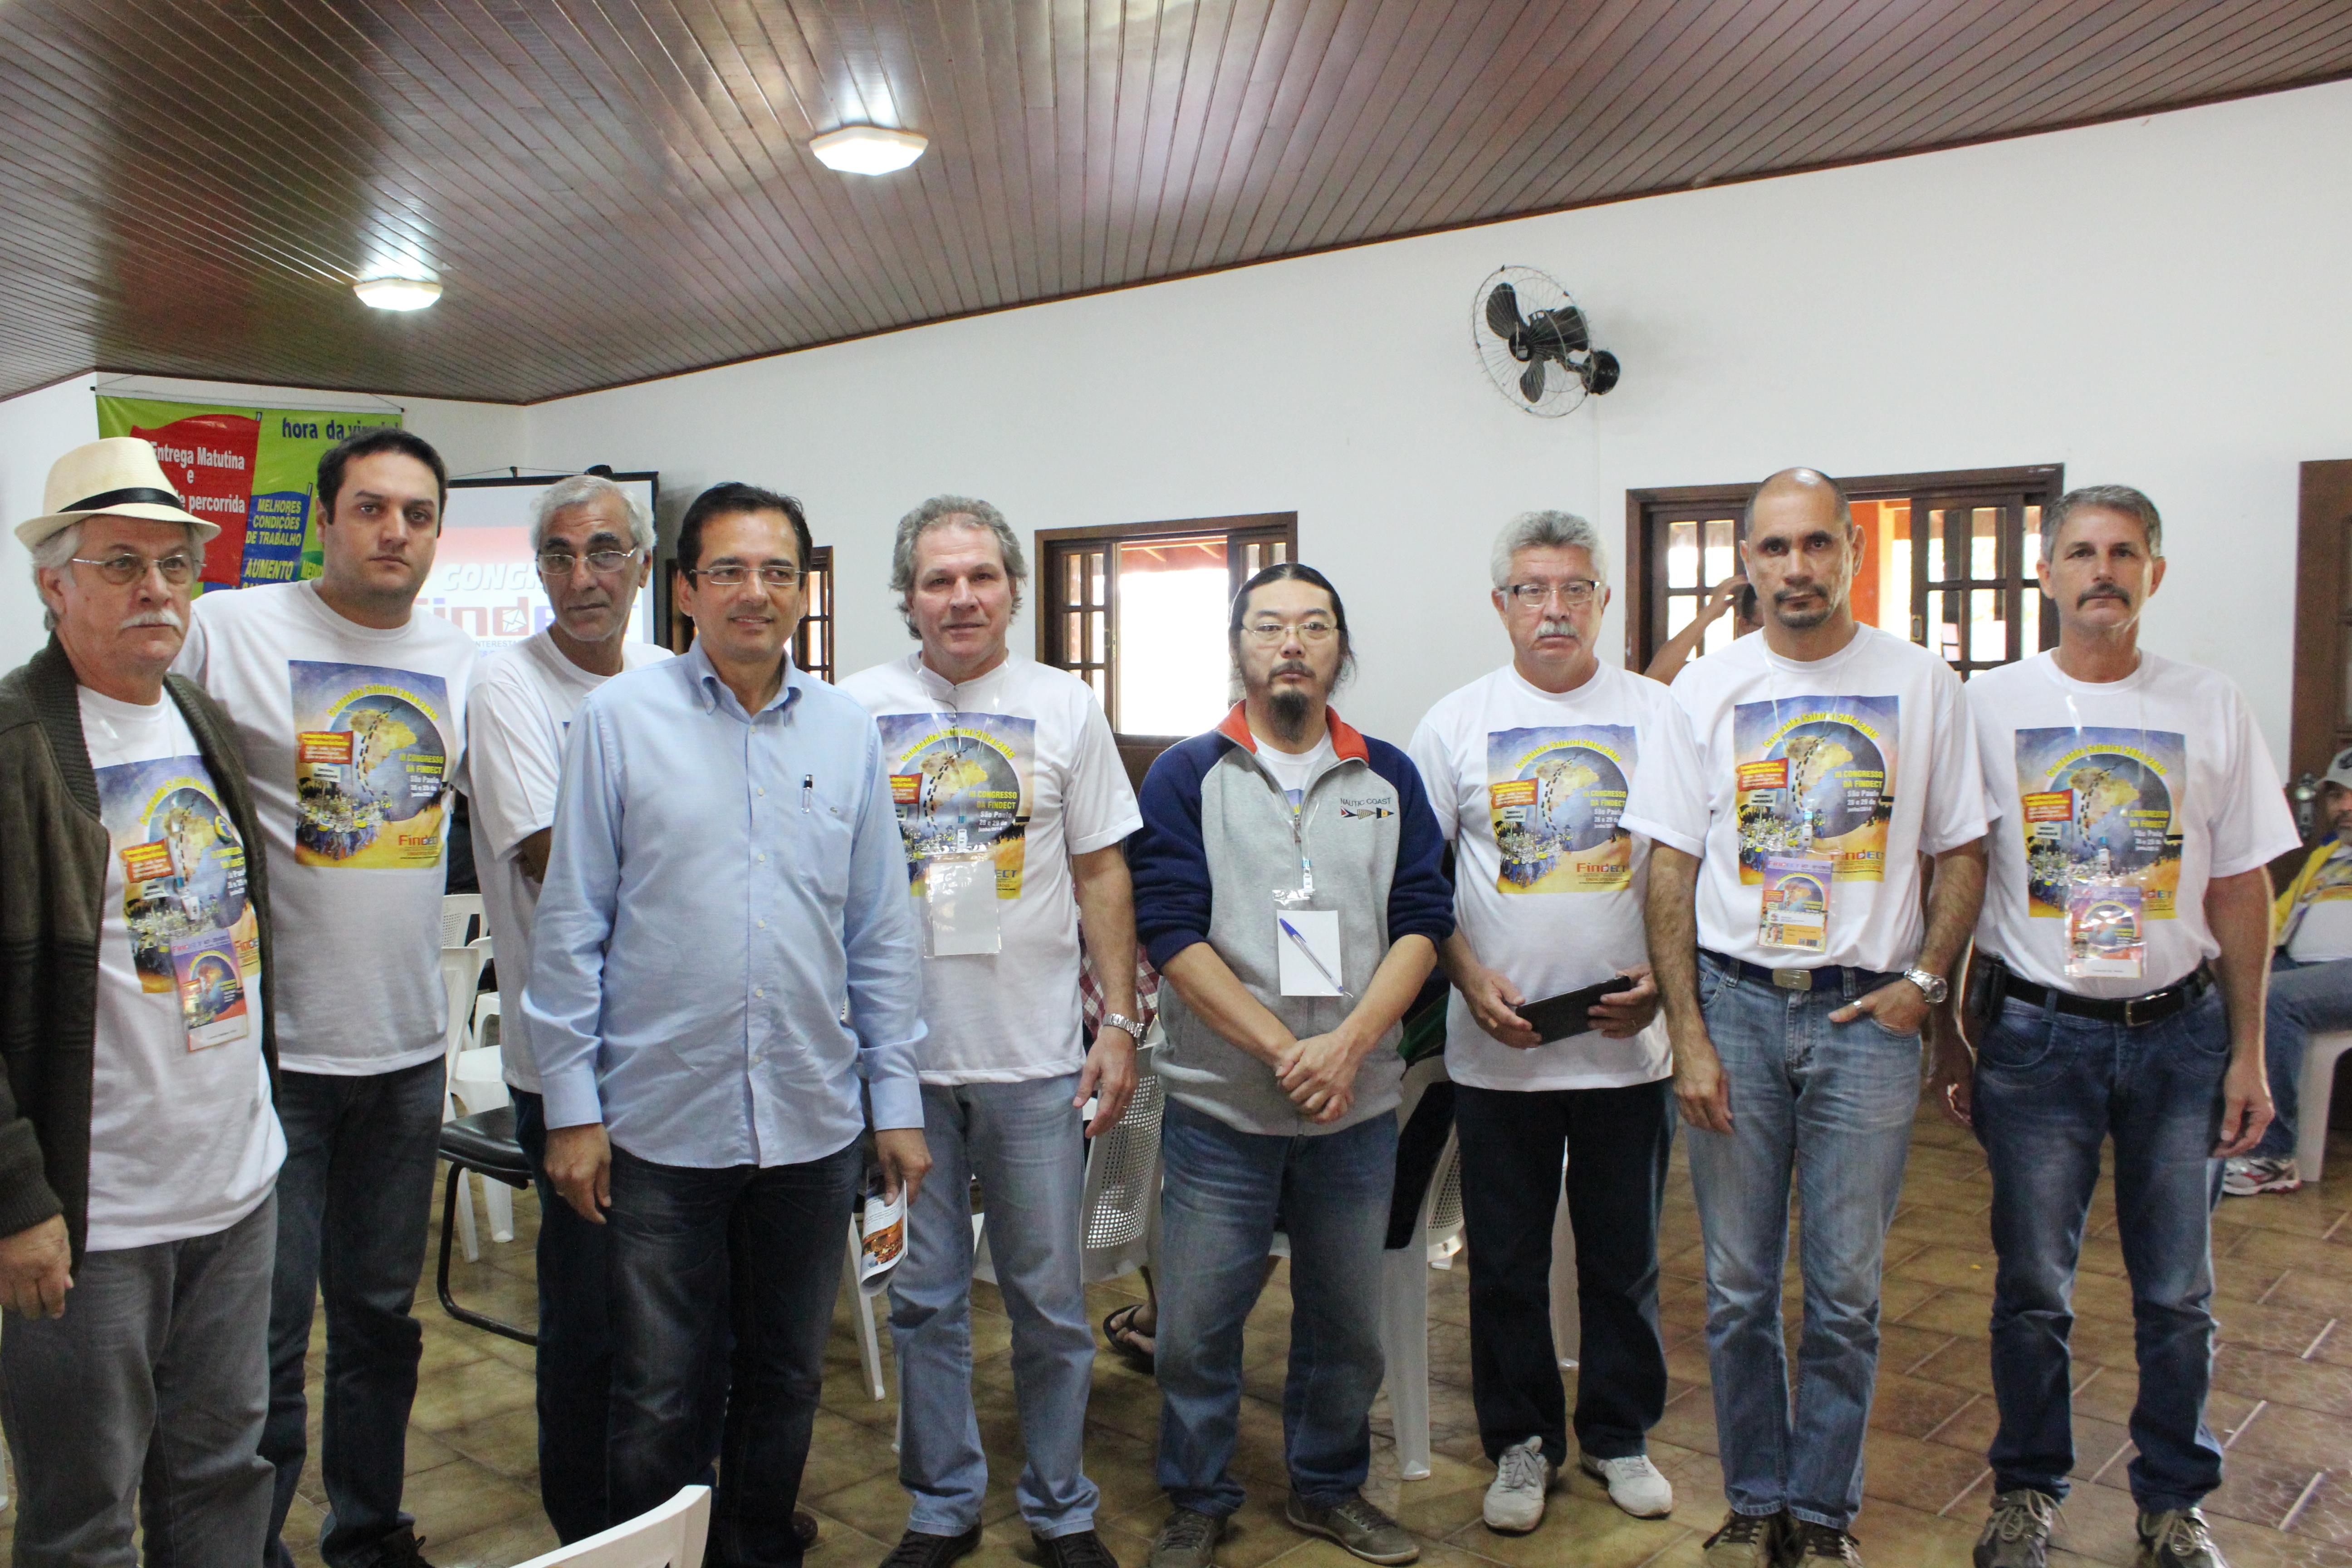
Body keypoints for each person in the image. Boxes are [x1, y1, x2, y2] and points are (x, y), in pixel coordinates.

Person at [526, 481, 930, 1568]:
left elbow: (879, 933)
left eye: (778, 572)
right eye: (730, 571)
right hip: (661, 1123)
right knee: (659, 1388)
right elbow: (571, 929)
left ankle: (755, 1549)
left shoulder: (847, 731)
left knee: (787, 1375)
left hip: (811, 1120)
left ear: (804, 590)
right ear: (686, 590)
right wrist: (572, 1110)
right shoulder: (618, 722)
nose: (756, 592)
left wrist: (895, 1102)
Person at [1623, 467, 1988, 1567]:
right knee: (1737, 1289)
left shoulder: (1921, 684)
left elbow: (1962, 848)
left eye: (1817, 544)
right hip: (1734, 1008)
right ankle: (1753, 1500)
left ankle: (1821, 1513)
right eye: (1775, 548)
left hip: (1865, 1021)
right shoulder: (1703, 689)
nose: (1797, 568)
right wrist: (1686, 1032)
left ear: (1851, 553)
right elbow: (1668, 868)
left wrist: (1926, 983)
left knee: (1844, 1294)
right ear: (1747, 562)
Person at [1933, 485, 2293, 1568]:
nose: (2103, 570)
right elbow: (1956, 871)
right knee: (2031, 1290)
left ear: (2153, 574)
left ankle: (2174, 1502)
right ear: (2046, 573)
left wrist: (2248, 1049)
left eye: (2124, 553)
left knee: (2176, 1294)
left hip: (2179, 1038)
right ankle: (2025, 1491)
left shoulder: (2209, 703)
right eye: (2082, 552)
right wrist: (1950, 1034)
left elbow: (2239, 885)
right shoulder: (1987, 705)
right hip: (2037, 1037)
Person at [176, 426, 478, 1568]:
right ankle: (249, 1545)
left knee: (379, 1324)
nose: (394, 531)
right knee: (260, 1336)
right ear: (325, 519)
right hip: (273, 1058)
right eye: (370, 507)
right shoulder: (231, 629)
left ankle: (370, 1531)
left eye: (417, 513)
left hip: (404, 1055)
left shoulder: (463, 660)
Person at [1128, 563, 1454, 1568]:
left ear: (1339, 650)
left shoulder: (1389, 778)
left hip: (1352, 1112)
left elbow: (1422, 921)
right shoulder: (1186, 775)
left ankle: (1326, 1488)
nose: (1291, 644)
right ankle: (1198, 1495)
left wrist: (1346, 1048)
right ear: (1239, 648)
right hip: (1221, 1111)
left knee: (1346, 1326)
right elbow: (1170, 932)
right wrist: (1283, 1050)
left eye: (1314, 626)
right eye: (1269, 626)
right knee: (1195, 1327)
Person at [842, 496, 1142, 1568]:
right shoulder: (855, 709)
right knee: (922, 1301)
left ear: (1012, 588)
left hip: (1034, 1062)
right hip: (901, 1068)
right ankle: (942, 1507)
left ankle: (1062, 1506)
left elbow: (1102, 871)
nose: (961, 597)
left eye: (980, 576)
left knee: (1049, 1302)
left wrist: (1119, 1020)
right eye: (938, 579)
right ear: (907, 596)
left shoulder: (1066, 706)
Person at [0, 439, 284, 1566]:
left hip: (235, 1189)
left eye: (174, 563)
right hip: (95, 1217)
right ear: (54, 585)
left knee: (223, 1477)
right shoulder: (15, 746)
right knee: (84, 1518)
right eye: (121, 563)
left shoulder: (198, 717)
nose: (156, 588)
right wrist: (16, 1197)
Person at [1406, 511, 1680, 1534]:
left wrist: (1664, 979)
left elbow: (1693, 871)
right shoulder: (1455, 723)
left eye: (1573, 589)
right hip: (1500, 1048)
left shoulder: (1659, 714)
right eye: (1532, 590)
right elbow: (1419, 882)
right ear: (1501, 605)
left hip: (1627, 1048)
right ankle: (1520, 1442)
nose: (1553, 609)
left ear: (1603, 600)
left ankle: (1618, 1434)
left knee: (1623, 1260)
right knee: (1506, 1263)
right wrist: (1467, 979)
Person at [461, 473, 674, 1542]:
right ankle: (591, 1532)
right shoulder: (508, 684)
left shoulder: (671, 676)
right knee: (591, 1315)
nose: (582, 577)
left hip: (678, 1058)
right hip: (573, 1065)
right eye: (559, 555)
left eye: (604, 552)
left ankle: (675, 1510)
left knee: (679, 1311)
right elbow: (559, 861)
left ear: (643, 563)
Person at [2228, 747, 2352, 1196]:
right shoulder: (2329, 854)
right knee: (2214, 989)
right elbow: (2278, 915)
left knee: (2276, 1000)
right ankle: (2218, 1129)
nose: (2345, 806)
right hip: (2303, 966)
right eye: (2336, 796)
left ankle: (2272, 1156)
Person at [1646, 575, 1760, 684]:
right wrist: (1710, 613)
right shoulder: (1722, 674)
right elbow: (1652, 684)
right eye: (1765, 628)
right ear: (1743, 626)